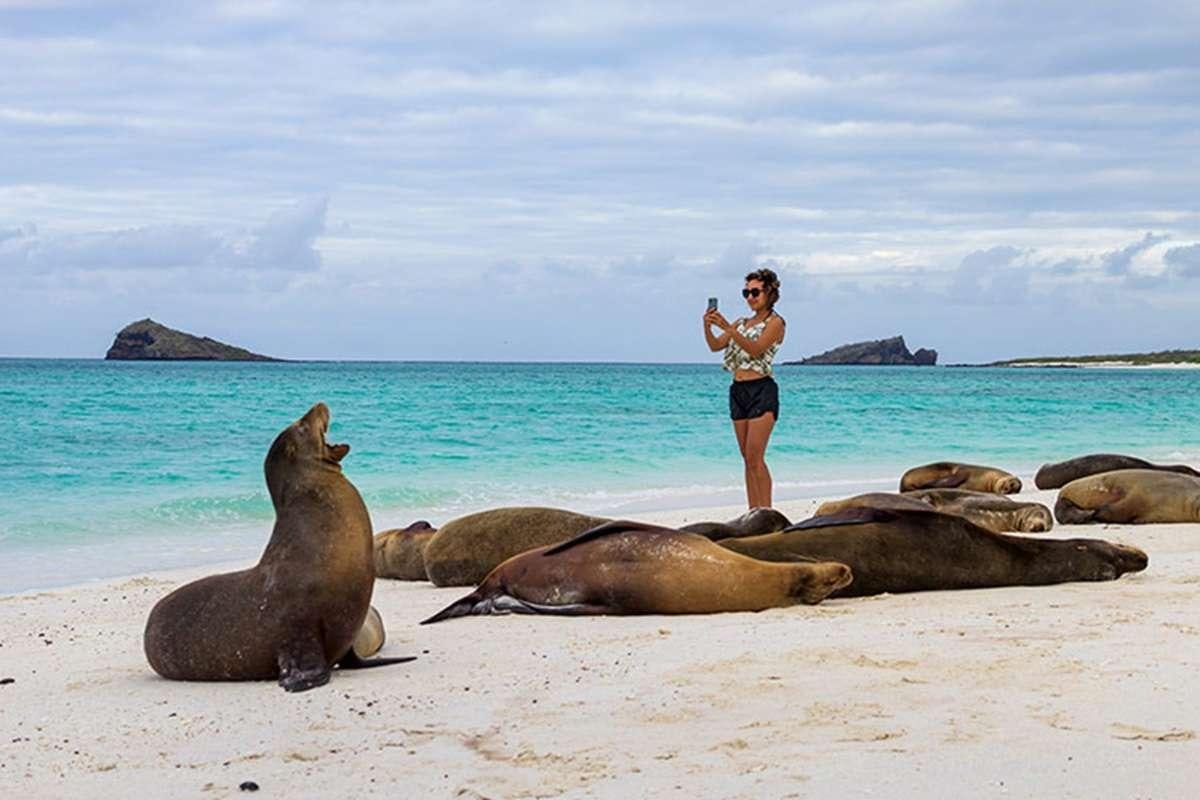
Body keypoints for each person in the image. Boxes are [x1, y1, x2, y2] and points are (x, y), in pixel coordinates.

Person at [703, 269, 786, 509]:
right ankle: (753, 512)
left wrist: (729, 329)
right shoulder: (741, 323)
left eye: (755, 292)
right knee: (747, 460)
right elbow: (715, 346)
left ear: (770, 292)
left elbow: (756, 348)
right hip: (738, 391)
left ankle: (767, 512)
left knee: (755, 457)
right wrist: (709, 326)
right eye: (746, 292)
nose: (750, 297)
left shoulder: (776, 322)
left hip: (762, 389)